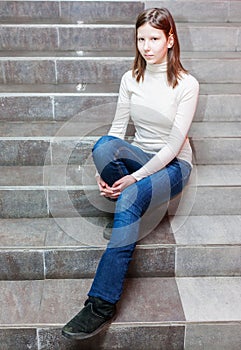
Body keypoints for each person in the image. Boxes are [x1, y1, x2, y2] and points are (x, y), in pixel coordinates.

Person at [62, 7, 199, 340]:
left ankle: (101, 304)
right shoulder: (131, 78)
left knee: (132, 196)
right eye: (141, 39)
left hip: (174, 164)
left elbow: (171, 146)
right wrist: (104, 174)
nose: (147, 46)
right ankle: (126, 199)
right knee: (103, 146)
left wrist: (133, 179)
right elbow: (117, 130)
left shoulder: (187, 84)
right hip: (139, 155)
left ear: (170, 39)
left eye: (154, 38)